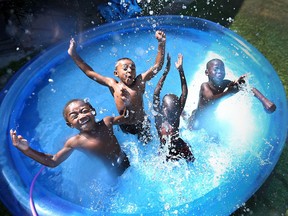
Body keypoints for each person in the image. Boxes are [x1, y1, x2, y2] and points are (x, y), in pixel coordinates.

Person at [68, 31, 166, 144]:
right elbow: (90, 72)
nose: (130, 70)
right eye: (125, 68)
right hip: (125, 123)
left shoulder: (140, 81)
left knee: (149, 143)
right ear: (116, 73)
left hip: (142, 122)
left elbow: (157, 66)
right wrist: (73, 54)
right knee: (130, 145)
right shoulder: (113, 85)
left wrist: (161, 43)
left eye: (133, 68)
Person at [10, 99, 130, 177]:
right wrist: (26, 149)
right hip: (113, 174)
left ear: (92, 110)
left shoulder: (107, 122)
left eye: (84, 111)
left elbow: (127, 117)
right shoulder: (75, 142)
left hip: (127, 159)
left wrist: (127, 102)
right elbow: (53, 161)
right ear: (70, 124)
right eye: (74, 116)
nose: (82, 116)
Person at [153, 54, 195, 162]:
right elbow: (156, 93)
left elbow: (185, 93)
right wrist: (165, 72)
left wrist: (181, 70)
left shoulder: (175, 116)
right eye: (168, 108)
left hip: (180, 145)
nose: (172, 112)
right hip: (165, 151)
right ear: (162, 109)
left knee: (191, 160)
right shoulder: (159, 119)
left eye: (175, 109)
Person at [188, 58, 245, 130]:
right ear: (207, 72)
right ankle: (184, 114)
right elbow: (211, 100)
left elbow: (241, 87)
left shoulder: (225, 83)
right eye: (216, 69)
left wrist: (240, 83)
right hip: (197, 121)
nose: (220, 72)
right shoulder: (205, 86)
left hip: (209, 119)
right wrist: (229, 92)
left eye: (222, 69)